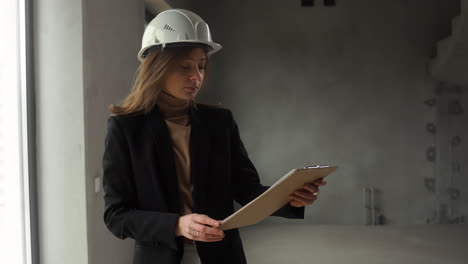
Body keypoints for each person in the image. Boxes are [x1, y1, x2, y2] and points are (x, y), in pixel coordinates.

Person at [102, 8, 327, 264]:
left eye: (201, 66)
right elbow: (116, 215)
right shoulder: (126, 128)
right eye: (184, 66)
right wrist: (177, 225)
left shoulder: (220, 122)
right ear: (157, 67)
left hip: (223, 256)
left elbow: (247, 189)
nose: (195, 76)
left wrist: (291, 198)